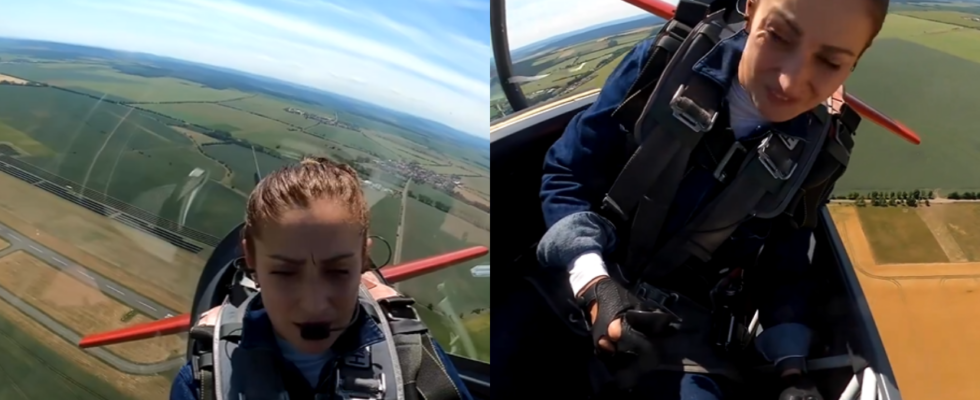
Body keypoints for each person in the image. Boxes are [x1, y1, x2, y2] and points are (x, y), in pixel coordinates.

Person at [534, 0, 888, 399]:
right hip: (573, 281)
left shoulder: (815, 154)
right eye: (779, 37)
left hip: (681, 331)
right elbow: (567, 176)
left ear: (855, 62)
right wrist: (595, 283)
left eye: (830, 61)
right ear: (751, 11)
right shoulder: (660, 72)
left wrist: (792, 372)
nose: (790, 81)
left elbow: (783, 269)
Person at [169, 156, 472, 400]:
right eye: (285, 272)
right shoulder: (204, 382)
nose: (314, 305)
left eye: (339, 271)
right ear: (252, 261)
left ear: (363, 259)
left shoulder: (414, 361)